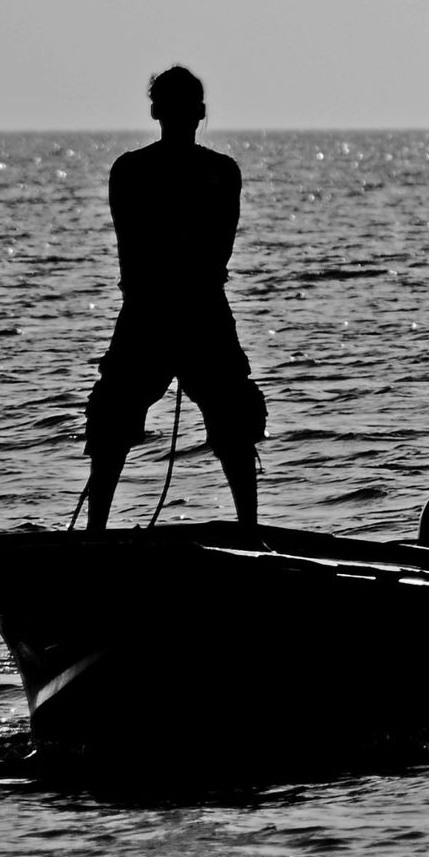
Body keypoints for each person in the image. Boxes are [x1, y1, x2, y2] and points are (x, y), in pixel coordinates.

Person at [80, 66, 266, 529]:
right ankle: (248, 529)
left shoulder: (133, 171)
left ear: (154, 111)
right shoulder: (220, 173)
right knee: (229, 423)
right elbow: (218, 247)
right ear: (200, 113)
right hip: (193, 310)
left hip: (152, 311)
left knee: (116, 423)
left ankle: (95, 530)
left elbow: (133, 248)